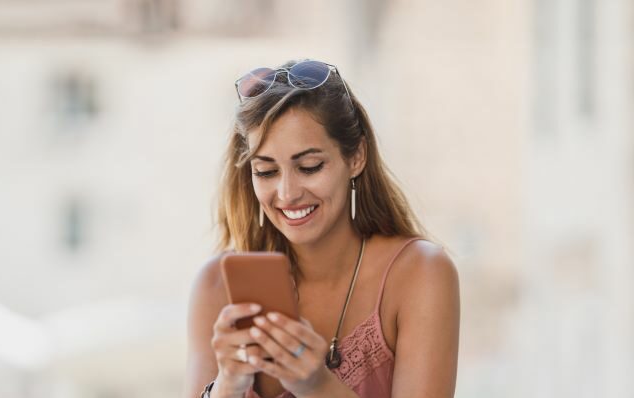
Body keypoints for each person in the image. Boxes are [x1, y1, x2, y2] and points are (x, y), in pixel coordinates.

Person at [184, 59, 460, 398]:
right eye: (266, 172)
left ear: (356, 157)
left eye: (309, 166)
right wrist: (227, 386)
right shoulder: (215, 285)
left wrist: (317, 385)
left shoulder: (419, 273)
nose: (287, 193)